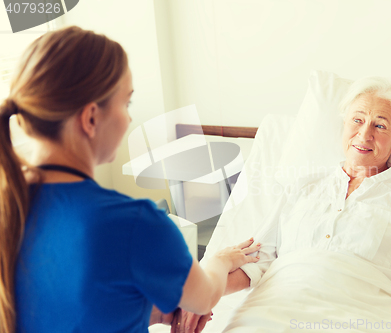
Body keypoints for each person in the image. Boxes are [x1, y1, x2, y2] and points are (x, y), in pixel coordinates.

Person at [0, 26, 260, 333]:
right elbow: (203, 300)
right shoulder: (134, 222)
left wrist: (151, 313)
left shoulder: (10, 206)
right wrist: (220, 260)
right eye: (127, 104)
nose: (129, 118)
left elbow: (63, 305)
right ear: (91, 118)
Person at [176, 77, 391, 333]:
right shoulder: (303, 186)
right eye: (357, 120)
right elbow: (255, 260)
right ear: (344, 125)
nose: (364, 134)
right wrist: (202, 295)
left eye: (380, 125)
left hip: (365, 317)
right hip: (272, 312)